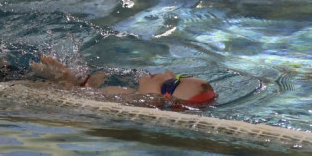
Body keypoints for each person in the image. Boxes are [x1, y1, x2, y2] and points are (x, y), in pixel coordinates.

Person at [29, 55, 217, 106]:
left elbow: (65, 98)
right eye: (178, 76)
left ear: (160, 100)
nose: (168, 72)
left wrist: (63, 78)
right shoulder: (129, 93)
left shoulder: (122, 106)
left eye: (170, 83)